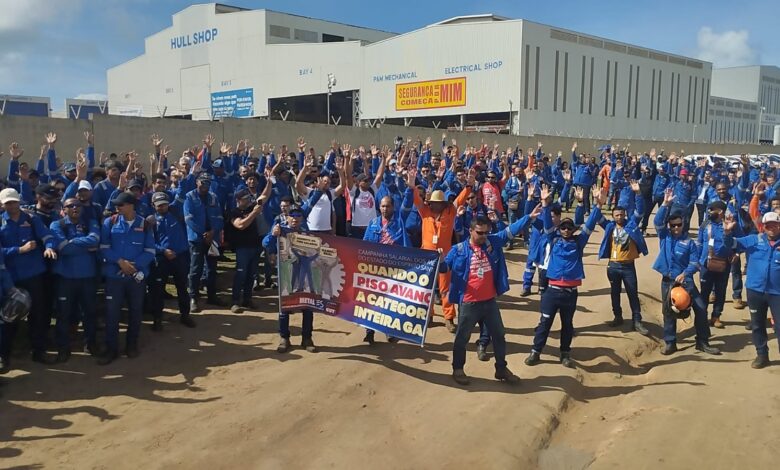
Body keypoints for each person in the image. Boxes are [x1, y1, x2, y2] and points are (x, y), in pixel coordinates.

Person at [443, 206, 541, 385]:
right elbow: (444, 268)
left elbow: (510, 231)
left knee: (499, 335)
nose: (483, 236)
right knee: (462, 338)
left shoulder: (491, 241)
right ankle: (458, 369)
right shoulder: (458, 250)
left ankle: (501, 368)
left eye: (486, 232)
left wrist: (529, 217)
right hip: (469, 304)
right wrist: (437, 259)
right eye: (479, 233)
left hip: (489, 302)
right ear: (471, 231)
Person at [525, 187, 605, 368]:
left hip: (570, 293)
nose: (566, 230)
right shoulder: (553, 239)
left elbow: (590, 224)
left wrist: (597, 205)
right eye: (563, 227)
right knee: (545, 322)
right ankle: (535, 352)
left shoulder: (579, 242)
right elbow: (547, 224)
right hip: (552, 291)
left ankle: (565, 353)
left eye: (569, 228)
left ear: (573, 230)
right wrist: (545, 203)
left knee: (567, 325)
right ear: (559, 229)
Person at [405, 167, 476, 333]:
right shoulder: (424, 211)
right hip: (427, 256)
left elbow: (461, 198)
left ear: (443, 203)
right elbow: (416, 199)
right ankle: (428, 315)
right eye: (433, 202)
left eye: (438, 203)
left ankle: (449, 318)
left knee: (446, 288)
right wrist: (412, 186)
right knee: (427, 287)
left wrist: (469, 186)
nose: (435, 205)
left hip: (445, 257)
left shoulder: (451, 211)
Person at [652, 189, 720, 356]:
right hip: (668, 281)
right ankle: (670, 343)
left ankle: (702, 341)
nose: (676, 228)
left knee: (701, 308)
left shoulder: (689, 243)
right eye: (673, 225)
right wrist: (665, 204)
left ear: (683, 224)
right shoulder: (665, 237)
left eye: (678, 225)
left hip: (686, 282)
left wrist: (685, 273)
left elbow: (695, 263)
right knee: (669, 312)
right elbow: (657, 221)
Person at [0, 188, 58, 367]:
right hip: (10, 277)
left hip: (34, 275)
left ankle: (38, 351)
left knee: (37, 314)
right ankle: (4, 355)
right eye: (8, 203)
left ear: (19, 201)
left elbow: (47, 235)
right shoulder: (1, 222)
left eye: (14, 202)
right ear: (2, 204)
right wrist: (19, 250)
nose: (12, 205)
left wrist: (49, 246)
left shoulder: (32, 219)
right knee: (8, 316)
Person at [98, 191, 156, 365]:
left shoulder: (144, 224)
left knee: (136, 311)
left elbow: (150, 251)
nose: (117, 207)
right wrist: (119, 262)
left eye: (121, 205)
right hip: (114, 276)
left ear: (131, 206)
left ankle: (132, 345)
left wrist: (134, 266)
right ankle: (111, 349)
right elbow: (104, 247)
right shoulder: (110, 222)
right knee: (112, 314)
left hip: (136, 277)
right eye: (116, 205)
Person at [724, 211, 780, 369]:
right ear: (763, 227)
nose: (772, 228)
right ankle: (762, 355)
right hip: (755, 291)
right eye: (768, 225)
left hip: (777, 293)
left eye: (775, 225)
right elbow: (731, 244)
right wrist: (727, 232)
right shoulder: (754, 240)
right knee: (757, 324)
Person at [49, 198, 101, 361]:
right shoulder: (57, 225)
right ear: (63, 209)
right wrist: (86, 246)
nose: (74, 208)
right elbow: (63, 248)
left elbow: (95, 240)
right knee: (63, 315)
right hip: (66, 278)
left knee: (90, 313)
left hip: (88, 277)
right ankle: (63, 348)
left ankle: (90, 344)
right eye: (70, 206)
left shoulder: (91, 223)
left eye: (77, 205)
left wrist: (73, 242)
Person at [597, 180, 650, 335]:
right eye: (616, 215)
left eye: (621, 214)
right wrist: (598, 202)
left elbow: (641, 210)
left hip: (628, 266)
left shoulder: (631, 224)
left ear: (625, 214)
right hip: (613, 266)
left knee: (633, 293)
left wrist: (638, 193)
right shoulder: (609, 226)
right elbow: (597, 217)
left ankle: (637, 321)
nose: (619, 217)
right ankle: (618, 316)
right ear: (613, 216)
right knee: (614, 293)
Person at [263, 206, 317, 353]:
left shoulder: (307, 233)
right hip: (286, 274)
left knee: (307, 306)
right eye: (292, 215)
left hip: (304, 276)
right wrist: (273, 235)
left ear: (302, 218)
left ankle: (307, 338)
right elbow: (265, 243)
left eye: (298, 215)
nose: (295, 218)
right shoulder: (280, 229)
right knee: (285, 307)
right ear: (287, 217)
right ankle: (284, 338)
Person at [361, 194, 412, 344]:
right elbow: (364, 244)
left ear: (393, 207)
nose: (385, 209)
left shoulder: (399, 222)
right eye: (383, 206)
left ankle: (389, 331)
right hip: (375, 268)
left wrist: (410, 189)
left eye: (388, 206)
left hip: (394, 268)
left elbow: (407, 204)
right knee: (371, 300)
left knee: (391, 301)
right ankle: (369, 332)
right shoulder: (373, 223)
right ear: (379, 207)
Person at [147, 192, 195, 330]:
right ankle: (157, 319)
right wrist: (163, 251)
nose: (162, 207)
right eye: (159, 205)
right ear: (153, 205)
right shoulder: (150, 221)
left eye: (164, 204)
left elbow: (183, 190)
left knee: (182, 287)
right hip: (162, 259)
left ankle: (185, 315)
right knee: (158, 290)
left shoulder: (177, 214)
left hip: (180, 257)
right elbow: (149, 241)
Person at [184, 173, 225, 312]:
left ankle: (212, 296)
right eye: (202, 182)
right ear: (197, 182)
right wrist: (204, 233)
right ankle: (193, 298)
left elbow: (220, 217)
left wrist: (213, 232)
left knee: (212, 269)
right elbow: (189, 219)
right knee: (196, 269)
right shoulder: (189, 196)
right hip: (196, 239)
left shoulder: (213, 197)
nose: (205, 185)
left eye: (207, 183)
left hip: (212, 239)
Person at [226, 187, 269, 313]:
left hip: (255, 246)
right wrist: (254, 213)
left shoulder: (251, 207)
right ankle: (235, 301)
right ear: (238, 200)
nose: (248, 201)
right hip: (242, 248)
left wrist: (269, 182)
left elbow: (264, 196)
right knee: (241, 274)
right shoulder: (234, 212)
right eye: (245, 199)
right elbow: (240, 225)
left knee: (251, 274)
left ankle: (247, 299)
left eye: (249, 198)